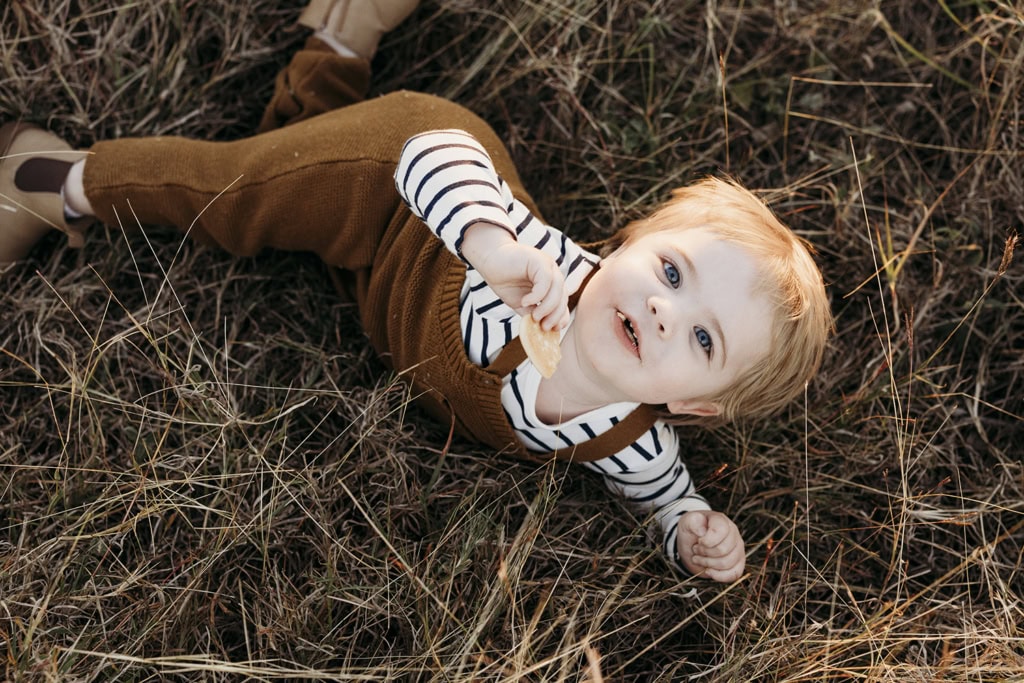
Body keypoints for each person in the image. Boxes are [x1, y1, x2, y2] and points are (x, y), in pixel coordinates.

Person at [0, 0, 832, 583]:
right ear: (625, 244)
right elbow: (433, 159)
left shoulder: (631, 441)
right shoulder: (540, 267)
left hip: (374, 290)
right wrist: (489, 242)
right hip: (394, 189)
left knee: (284, 155)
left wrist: (688, 533)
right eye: (673, 271)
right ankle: (49, 177)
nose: (663, 308)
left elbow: (664, 492)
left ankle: (342, 31)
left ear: (693, 409)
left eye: (702, 339)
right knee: (236, 197)